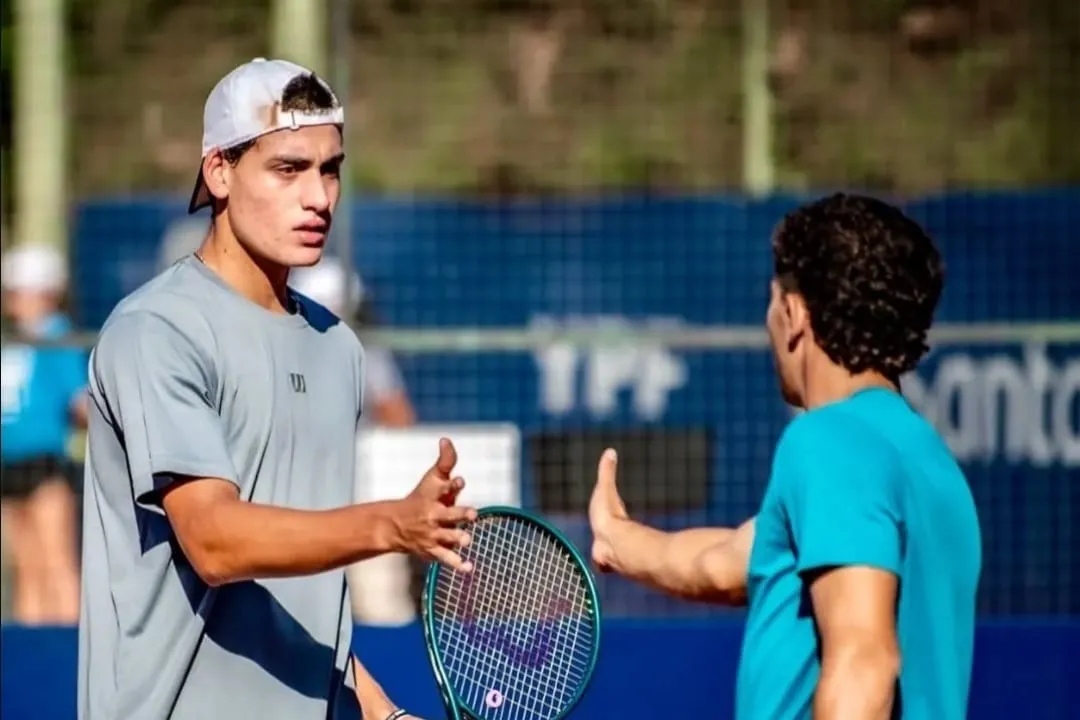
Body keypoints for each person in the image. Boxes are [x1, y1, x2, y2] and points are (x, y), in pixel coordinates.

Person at [77, 58, 476, 720]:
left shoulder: (338, 348)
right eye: (288, 169)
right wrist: (390, 523)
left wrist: (379, 711)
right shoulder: (156, 331)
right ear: (219, 172)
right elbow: (216, 544)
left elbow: (298, 595)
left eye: (331, 169)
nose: (319, 197)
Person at [587, 193, 982, 719]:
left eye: (773, 300)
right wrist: (618, 538)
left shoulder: (827, 442)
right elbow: (728, 561)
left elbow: (865, 660)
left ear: (793, 313)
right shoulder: (929, 463)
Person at [1, 243, 86, 625]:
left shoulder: (56, 337)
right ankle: (32, 659)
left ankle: (66, 653)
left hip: (45, 462)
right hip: (9, 462)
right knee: (25, 571)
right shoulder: (14, 340)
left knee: (55, 563)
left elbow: (78, 400)